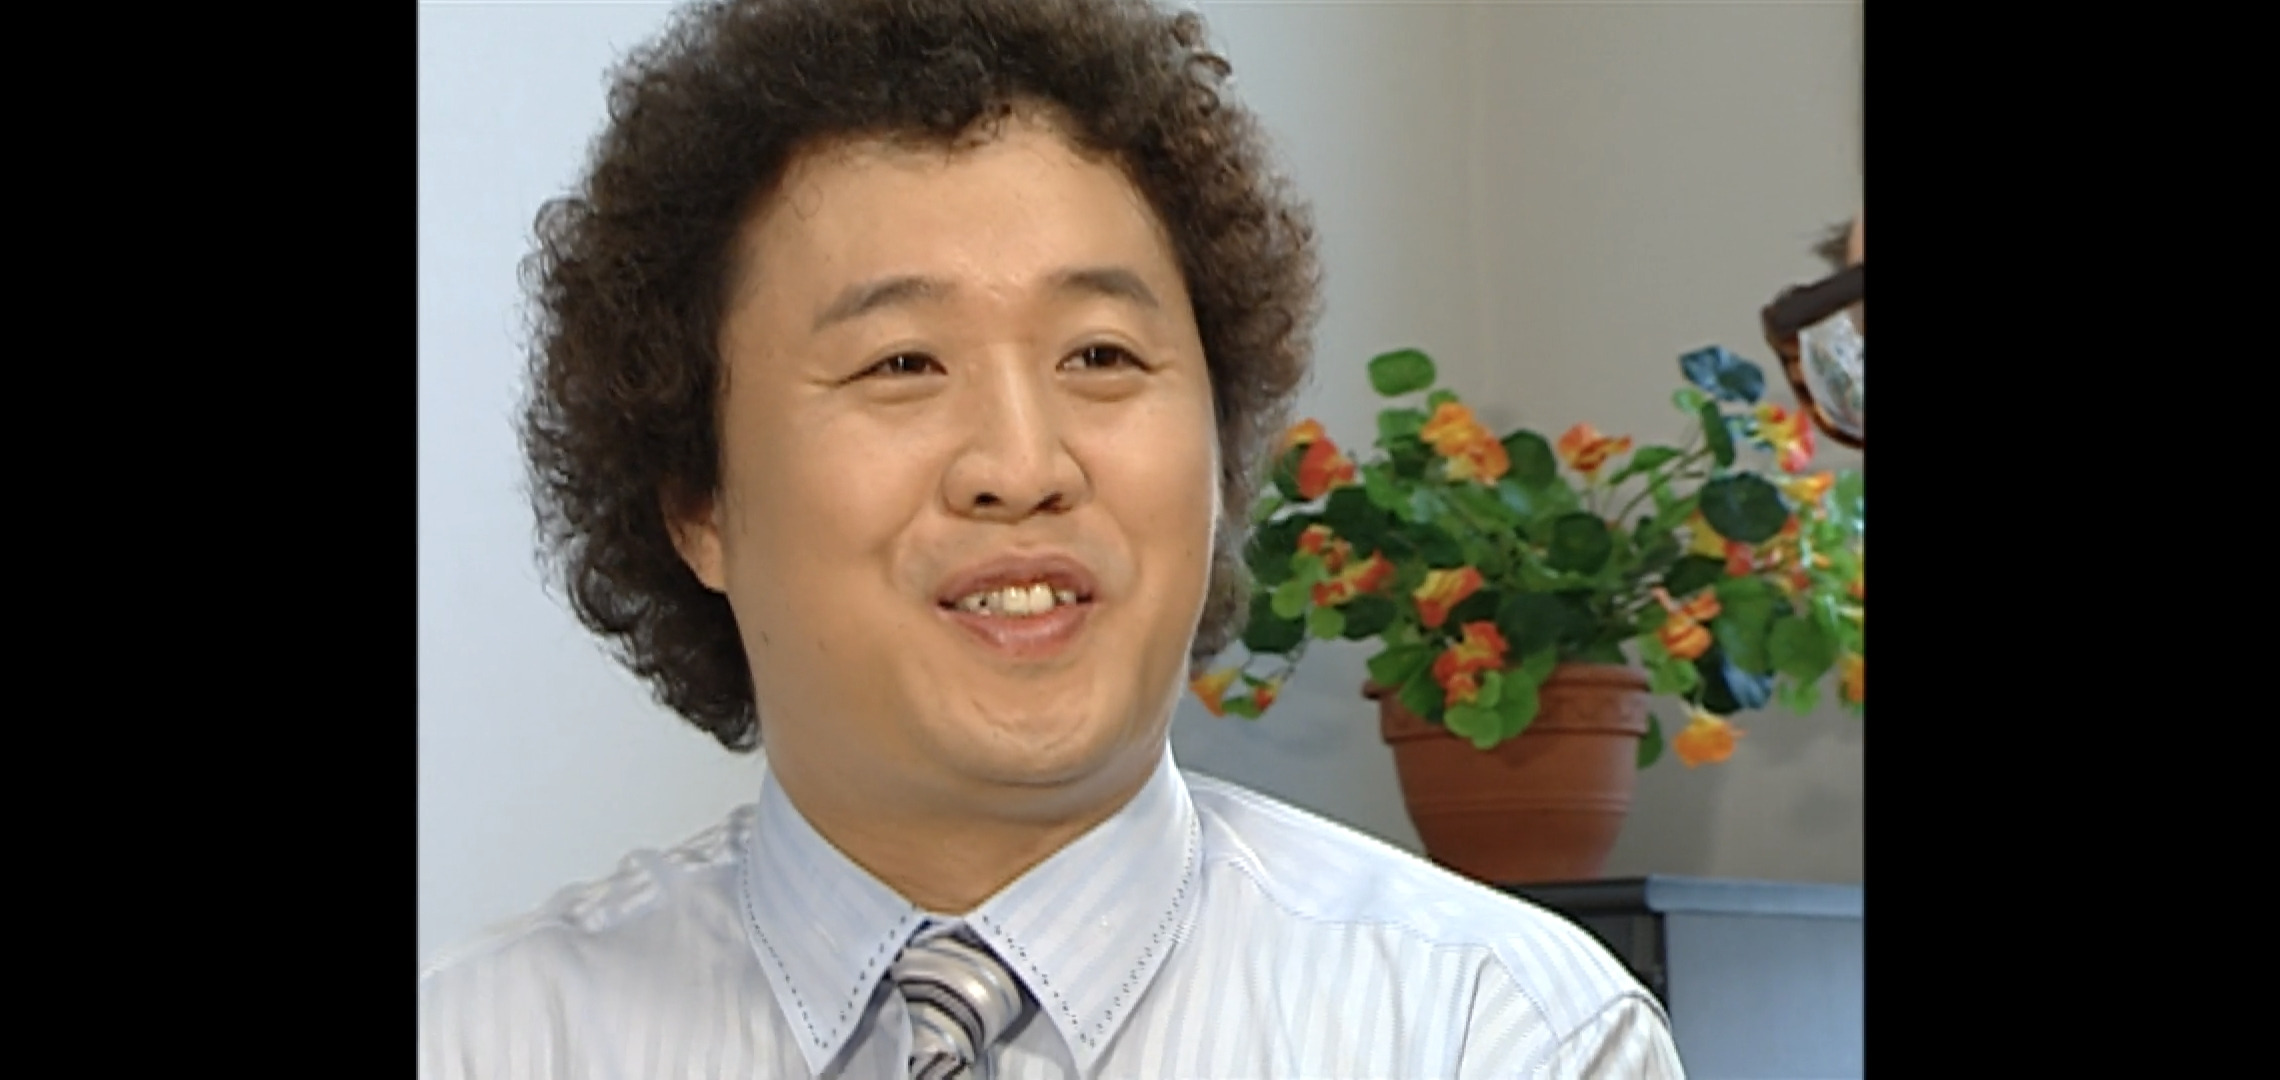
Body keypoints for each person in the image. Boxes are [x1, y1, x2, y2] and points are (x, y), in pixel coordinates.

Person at [418, 0, 1685, 1076]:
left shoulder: (1494, 1035)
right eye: (902, 363)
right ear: (697, 499)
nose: (1024, 468)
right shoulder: (490, 1043)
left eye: (1102, 356)